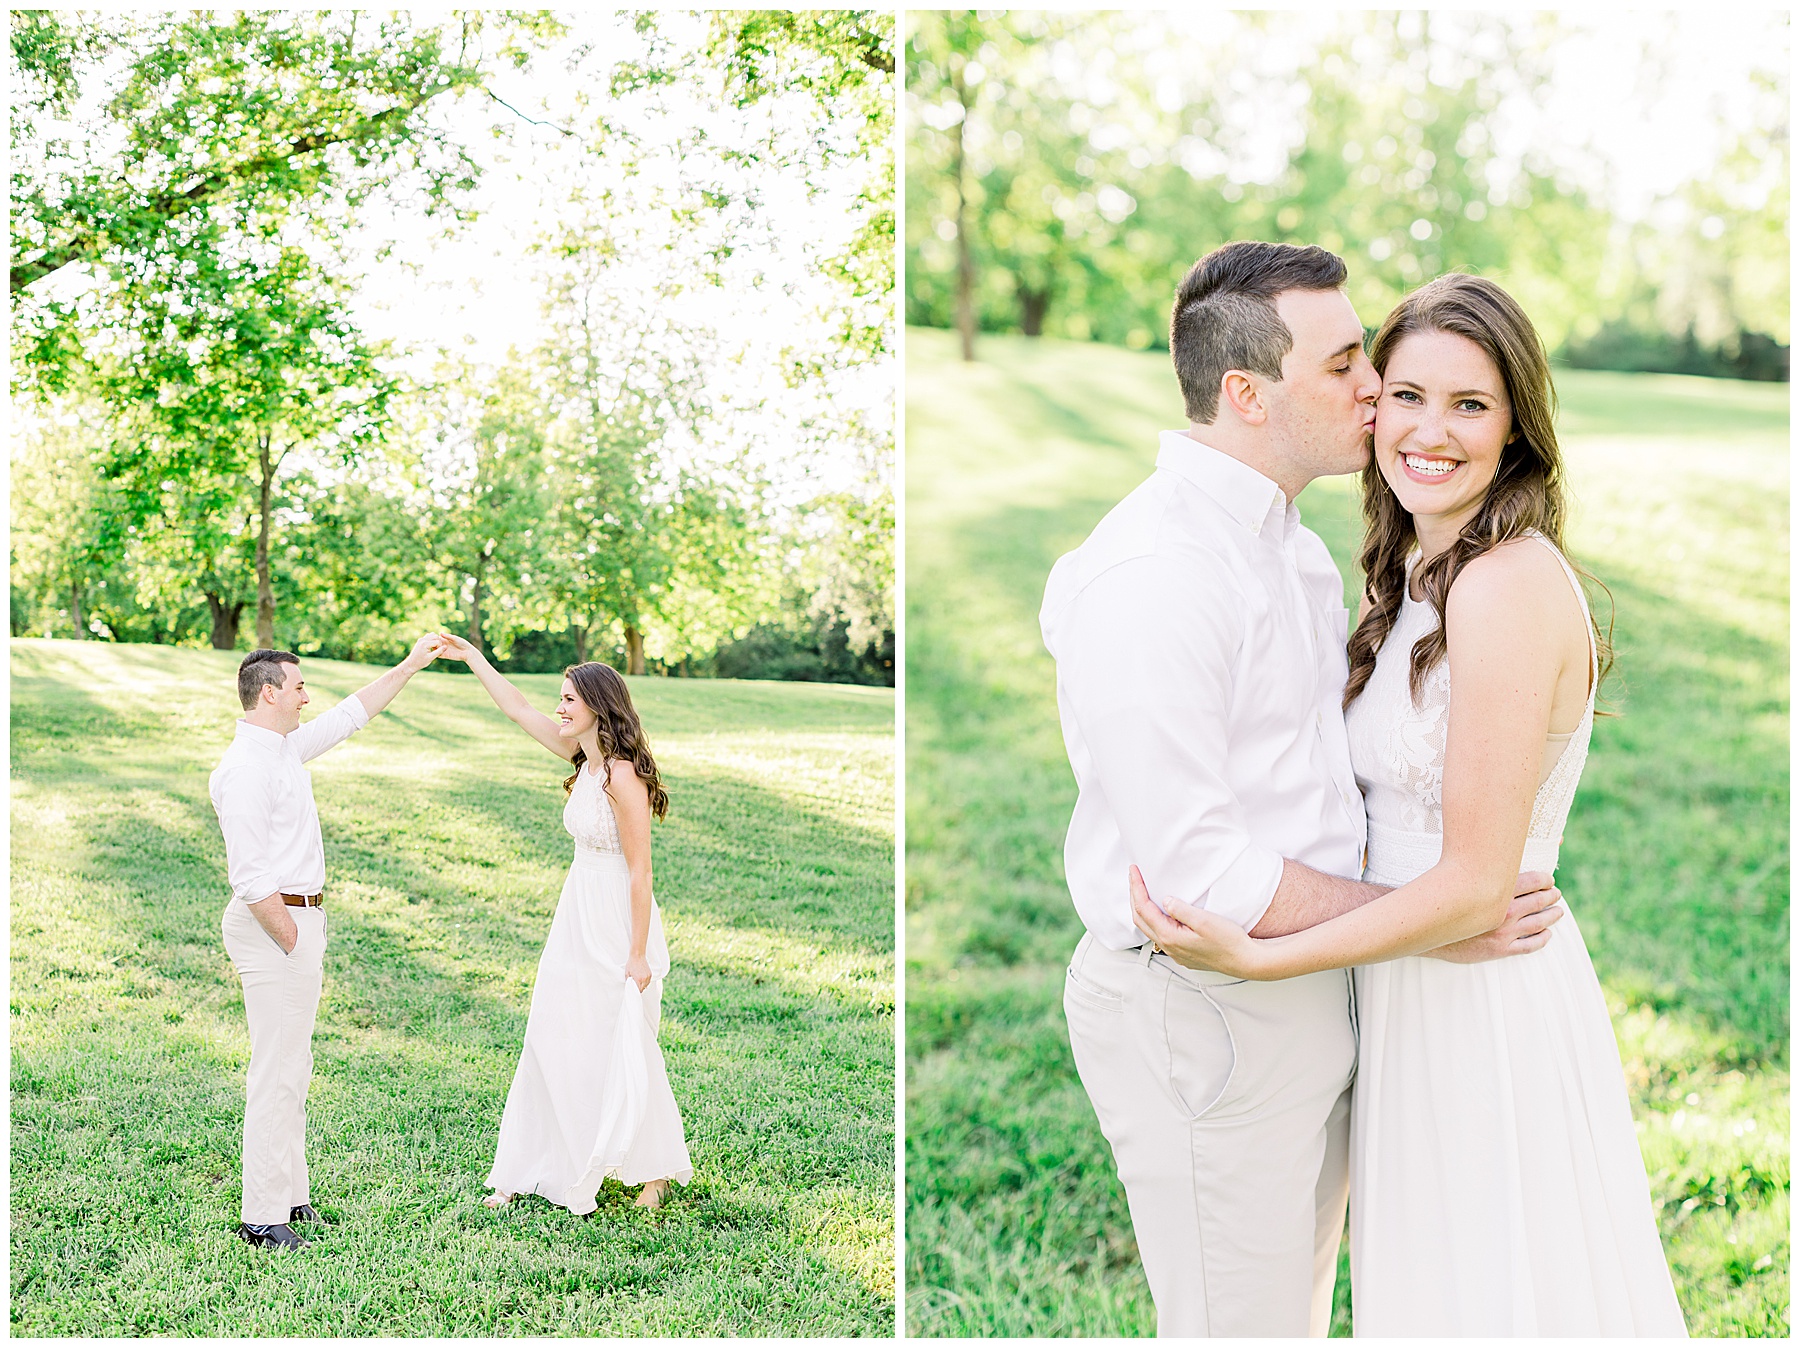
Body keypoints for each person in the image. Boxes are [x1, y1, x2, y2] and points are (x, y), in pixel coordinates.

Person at [1131, 273, 1686, 1335]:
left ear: (1517, 425)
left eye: (1471, 405)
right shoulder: (1418, 573)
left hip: (1480, 1003)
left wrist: (1261, 956)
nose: (1432, 430)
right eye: (1409, 393)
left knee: (1494, 1294)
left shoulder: (1504, 584)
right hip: (1405, 987)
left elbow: (1477, 881)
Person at [1041, 241, 1561, 1337]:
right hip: (1212, 1003)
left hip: (1320, 988)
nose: (1373, 387)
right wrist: (1438, 919)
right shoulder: (1156, 575)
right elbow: (1202, 874)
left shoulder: (1296, 552)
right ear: (1247, 392)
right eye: (1345, 365)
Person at [430, 635, 692, 1214]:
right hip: (574, 916)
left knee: (623, 1041)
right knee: (551, 1034)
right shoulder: (584, 760)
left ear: (600, 706)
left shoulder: (624, 776)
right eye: (561, 697)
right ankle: (525, 1169)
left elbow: (640, 873)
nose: (560, 708)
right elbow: (517, 708)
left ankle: (652, 1174)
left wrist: (639, 953)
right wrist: (473, 657)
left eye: (570, 699)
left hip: (617, 924)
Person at [211, 636, 445, 1251]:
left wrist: (411, 662)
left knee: (294, 1066)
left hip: (295, 923)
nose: (307, 695)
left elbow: (352, 713)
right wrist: (292, 938)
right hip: (275, 926)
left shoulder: (284, 749)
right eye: (297, 686)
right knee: (276, 1072)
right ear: (270, 693)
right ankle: (262, 1216)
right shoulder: (244, 769)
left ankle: (291, 1196)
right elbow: (251, 878)